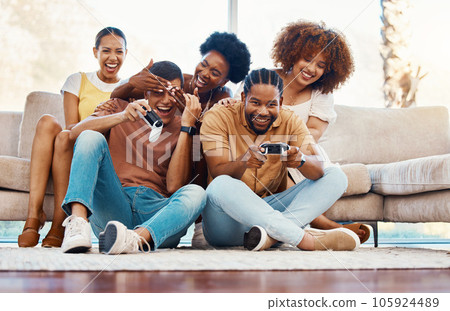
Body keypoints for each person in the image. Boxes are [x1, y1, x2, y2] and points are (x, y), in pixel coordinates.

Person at [109, 32, 251, 248]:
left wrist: (196, 119)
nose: (203, 74)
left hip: (195, 147)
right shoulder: (177, 82)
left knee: (205, 148)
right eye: (203, 65)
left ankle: (201, 225)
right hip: (167, 144)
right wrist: (132, 81)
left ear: (225, 80)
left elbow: (215, 131)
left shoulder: (224, 97)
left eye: (214, 73)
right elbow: (117, 95)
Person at [200, 68, 360, 251]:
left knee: (336, 176)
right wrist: (244, 162)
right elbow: (217, 170)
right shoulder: (219, 115)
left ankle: (271, 237)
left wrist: (301, 160)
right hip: (226, 223)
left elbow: (318, 170)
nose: (263, 112)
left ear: (280, 102)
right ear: (243, 98)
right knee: (220, 185)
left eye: (271, 104)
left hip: (265, 216)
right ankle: (305, 240)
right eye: (255, 103)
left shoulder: (290, 120)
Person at [59, 61, 206, 254]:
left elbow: (174, 186)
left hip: (157, 215)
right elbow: (75, 133)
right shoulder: (120, 108)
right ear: (145, 93)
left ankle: (135, 239)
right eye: (158, 92)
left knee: (197, 192)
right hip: (115, 203)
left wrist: (188, 126)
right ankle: (78, 225)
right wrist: (122, 117)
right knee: (90, 136)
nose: (166, 100)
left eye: (172, 93)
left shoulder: (184, 125)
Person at [18, 27, 128, 248]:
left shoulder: (127, 88)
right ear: (95, 52)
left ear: (126, 54)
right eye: (106, 50)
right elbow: (72, 127)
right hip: (71, 142)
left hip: (98, 152)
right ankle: (33, 216)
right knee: (49, 123)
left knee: (64, 138)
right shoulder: (77, 80)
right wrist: (99, 112)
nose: (113, 57)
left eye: (119, 51)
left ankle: (59, 222)